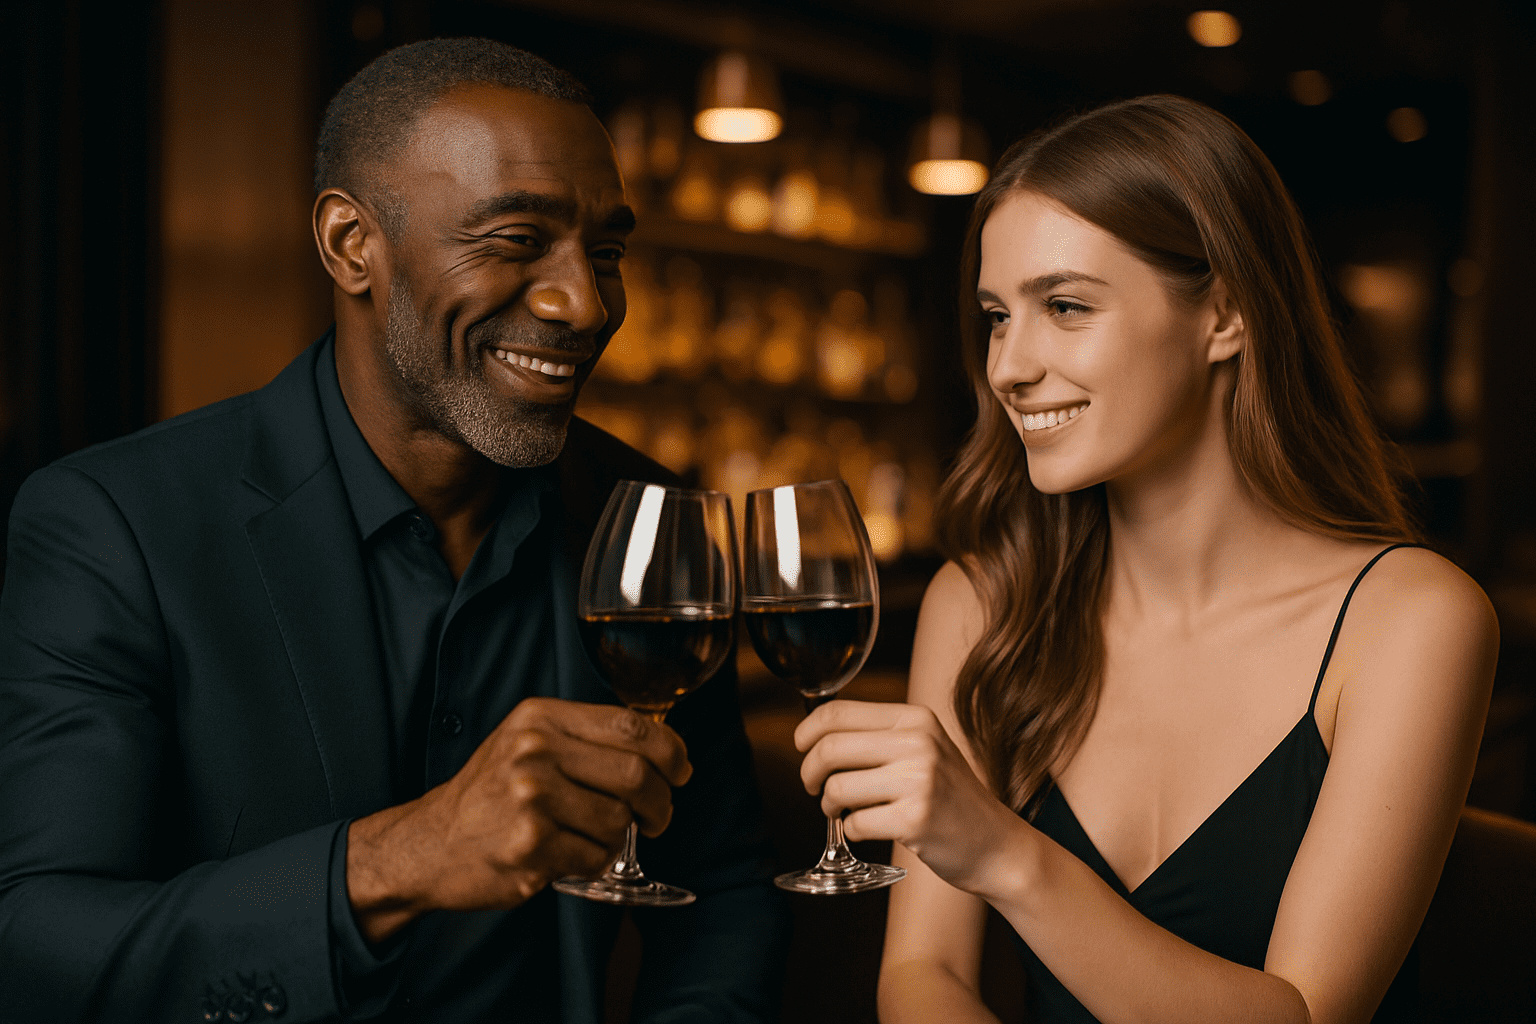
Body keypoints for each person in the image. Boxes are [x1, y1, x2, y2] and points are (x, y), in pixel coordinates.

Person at [0, 38, 786, 1023]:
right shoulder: (111, 524)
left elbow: (722, 890)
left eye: (608, 252)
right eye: (513, 239)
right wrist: (399, 858)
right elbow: (35, 946)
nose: (584, 303)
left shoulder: (650, 516)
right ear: (349, 244)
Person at [794, 95, 1498, 1023]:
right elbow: (925, 978)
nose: (1008, 364)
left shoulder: (1411, 619)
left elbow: (1307, 1014)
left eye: (1066, 306)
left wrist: (1004, 853)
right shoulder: (981, 603)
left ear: (1228, 316)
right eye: (998, 315)